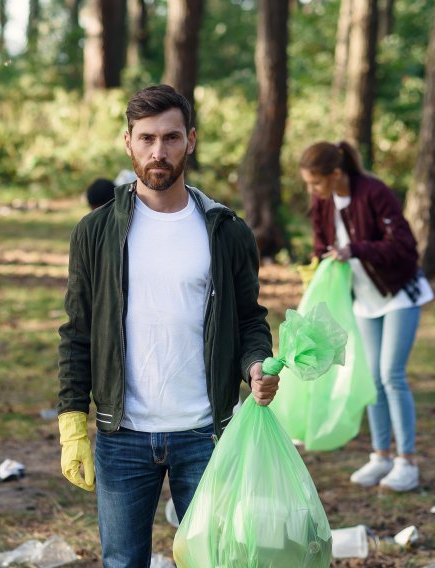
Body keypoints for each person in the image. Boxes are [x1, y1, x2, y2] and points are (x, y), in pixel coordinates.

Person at [57, 84, 279, 567]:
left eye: (171, 138)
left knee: (213, 560)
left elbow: (248, 319)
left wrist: (256, 364)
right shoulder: (95, 232)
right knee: (122, 562)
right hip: (123, 435)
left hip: (206, 432)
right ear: (128, 142)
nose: (159, 152)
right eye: (147, 138)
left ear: (191, 140)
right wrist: (72, 419)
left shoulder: (227, 230)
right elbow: (77, 333)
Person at [300, 140, 434, 492]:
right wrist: (318, 263)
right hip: (364, 300)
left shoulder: (374, 192)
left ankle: (407, 462)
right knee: (371, 378)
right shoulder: (323, 202)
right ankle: (381, 455)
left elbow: (404, 246)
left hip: (399, 293)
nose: (312, 191)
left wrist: (355, 250)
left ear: (336, 174)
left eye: (316, 183)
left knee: (392, 374)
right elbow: (320, 242)